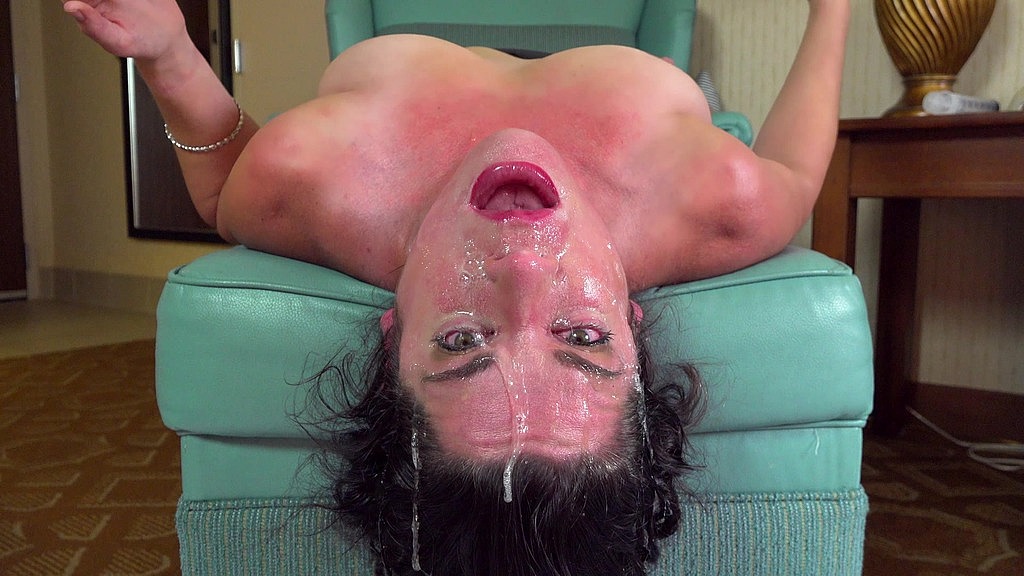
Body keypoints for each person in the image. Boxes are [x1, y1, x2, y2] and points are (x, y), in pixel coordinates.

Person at [66, 1, 850, 574]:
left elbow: (220, 191)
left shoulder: (318, 179)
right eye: (582, 337)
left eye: (464, 339)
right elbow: (794, 170)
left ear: (393, 332)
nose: (524, 269)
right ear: (631, 323)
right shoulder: (714, 200)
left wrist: (169, 55)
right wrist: (832, 11)